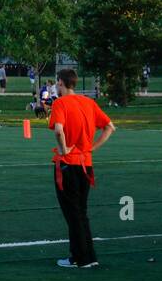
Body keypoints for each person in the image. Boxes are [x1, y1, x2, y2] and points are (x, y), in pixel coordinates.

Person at [48, 69, 113, 268]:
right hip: (86, 164)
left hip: (68, 164)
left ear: (61, 82)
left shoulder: (60, 103)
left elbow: (59, 130)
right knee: (81, 212)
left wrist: (63, 149)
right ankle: (89, 255)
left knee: (73, 213)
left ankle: (79, 257)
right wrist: (91, 147)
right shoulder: (89, 102)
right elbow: (110, 126)